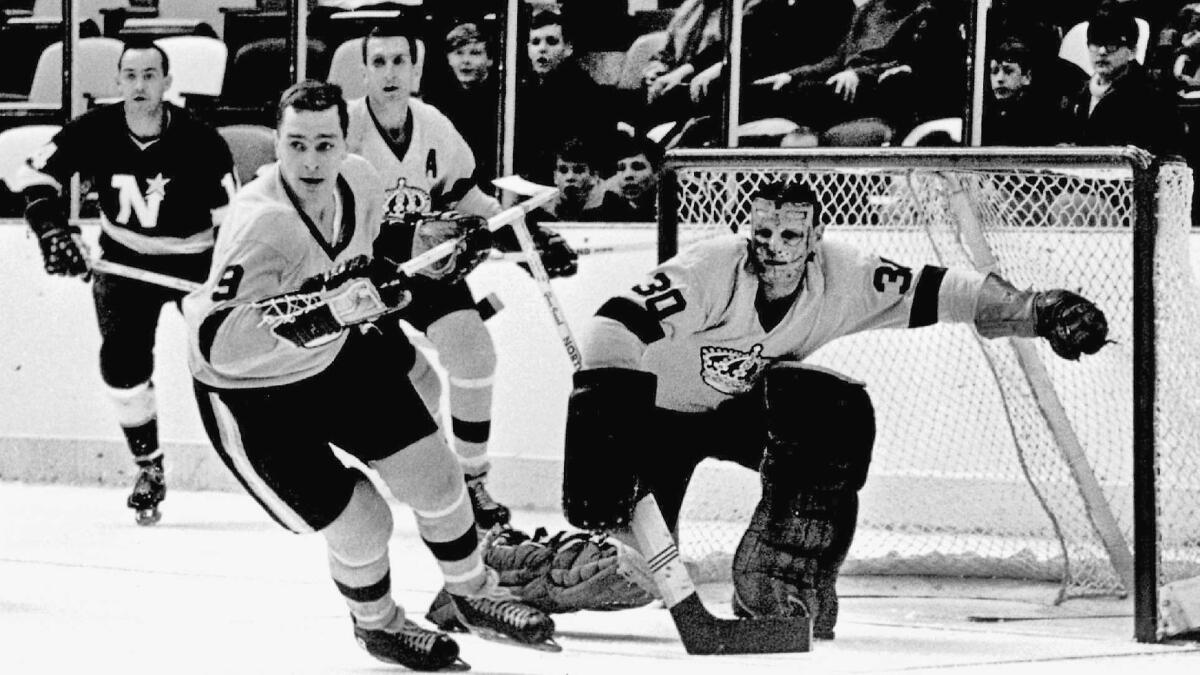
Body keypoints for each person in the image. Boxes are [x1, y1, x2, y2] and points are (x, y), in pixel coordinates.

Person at [560, 180, 1110, 640]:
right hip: (652, 418)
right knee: (623, 576)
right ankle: (505, 577)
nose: (773, 247)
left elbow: (939, 289)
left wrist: (1034, 310)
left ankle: (780, 579)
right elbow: (611, 327)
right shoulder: (711, 266)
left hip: (739, 409)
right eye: (763, 233)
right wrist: (603, 433)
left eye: (791, 236)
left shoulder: (846, 276)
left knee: (833, 409)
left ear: (816, 238)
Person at [181, 80, 556, 669]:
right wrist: (325, 312)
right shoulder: (260, 224)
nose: (311, 161)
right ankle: (377, 625)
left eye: (325, 143)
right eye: (296, 144)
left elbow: (377, 242)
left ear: (343, 141)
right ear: (275, 143)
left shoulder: (358, 178)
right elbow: (218, 344)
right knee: (363, 521)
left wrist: (430, 240)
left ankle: (472, 593)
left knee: (437, 479)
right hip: (253, 397)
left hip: (336, 361)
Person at [346, 23, 578, 530]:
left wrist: (526, 240)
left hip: (427, 264)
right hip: (363, 277)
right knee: (416, 385)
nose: (389, 73)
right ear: (364, 69)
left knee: (474, 354)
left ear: (416, 68)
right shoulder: (345, 129)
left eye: (398, 62)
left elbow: (467, 198)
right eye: (378, 62)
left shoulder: (433, 125)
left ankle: (473, 481)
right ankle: (437, 479)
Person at [10, 40, 236, 526]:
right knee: (122, 366)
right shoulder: (93, 129)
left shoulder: (201, 141)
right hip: (122, 262)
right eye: (130, 75)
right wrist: (53, 231)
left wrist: (224, 282)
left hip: (196, 263)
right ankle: (148, 466)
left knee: (232, 357)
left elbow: (232, 223)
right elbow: (30, 176)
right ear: (117, 82)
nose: (139, 85)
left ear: (167, 83)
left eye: (150, 75)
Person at [750, 0, 963, 135]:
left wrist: (858, 74)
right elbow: (839, 58)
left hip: (876, 86)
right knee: (776, 89)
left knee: (807, 95)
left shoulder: (925, 13)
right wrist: (791, 75)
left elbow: (913, 62)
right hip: (844, 80)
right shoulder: (868, 11)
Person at [1065, 7, 1187, 156]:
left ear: (1132, 51)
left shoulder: (1153, 95)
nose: (1102, 51)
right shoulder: (1078, 94)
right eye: (1096, 42)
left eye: (1112, 44)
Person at [514, 8, 616, 184]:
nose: (542, 49)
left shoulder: (585, 93)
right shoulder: (523, 90)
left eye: (551, 42)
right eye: (535, 42)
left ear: (568, 48)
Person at [423, 21, 500, 188]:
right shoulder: (441, 101)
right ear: (449, 59)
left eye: (475, 53)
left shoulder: (500, 99)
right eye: (458, 53)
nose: (465, 61)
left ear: (490, 60)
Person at [982, 38, 1073, 145]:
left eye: (1008, 71)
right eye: (994, 72)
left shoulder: (1042, 121)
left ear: (1027, 77)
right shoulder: (984, 116)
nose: (1000, 79)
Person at [584, 132, 662, 222]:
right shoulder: (597, 217)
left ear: (657, 173)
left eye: (637, 167)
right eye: (621, 168)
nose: (628, 175)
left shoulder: (673, 214)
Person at [530, 135, 605, 223]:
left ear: (594, 176)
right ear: (555, 177)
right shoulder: (539, 212)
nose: (570, 177)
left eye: (579, 170)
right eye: (563, 170)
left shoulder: (609, 207)